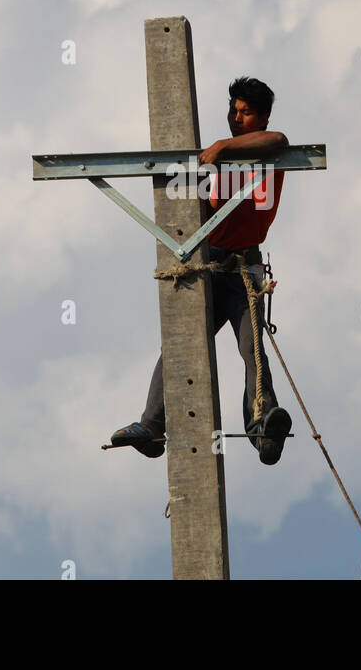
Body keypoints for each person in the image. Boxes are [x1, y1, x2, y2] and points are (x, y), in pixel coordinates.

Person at [110, 76, 293, 465]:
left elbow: (277, 140)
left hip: (245, 268)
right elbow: (195, 201)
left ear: (262, 116)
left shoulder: (266, 150)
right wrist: (207, 166)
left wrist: (224, 146)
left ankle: (263, 428)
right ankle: (152, 424)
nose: (236, 117)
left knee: (252, 349)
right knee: (180, 344)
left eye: (245, 112)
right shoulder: (213, 159)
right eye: (233, 110)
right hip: (208, 266)